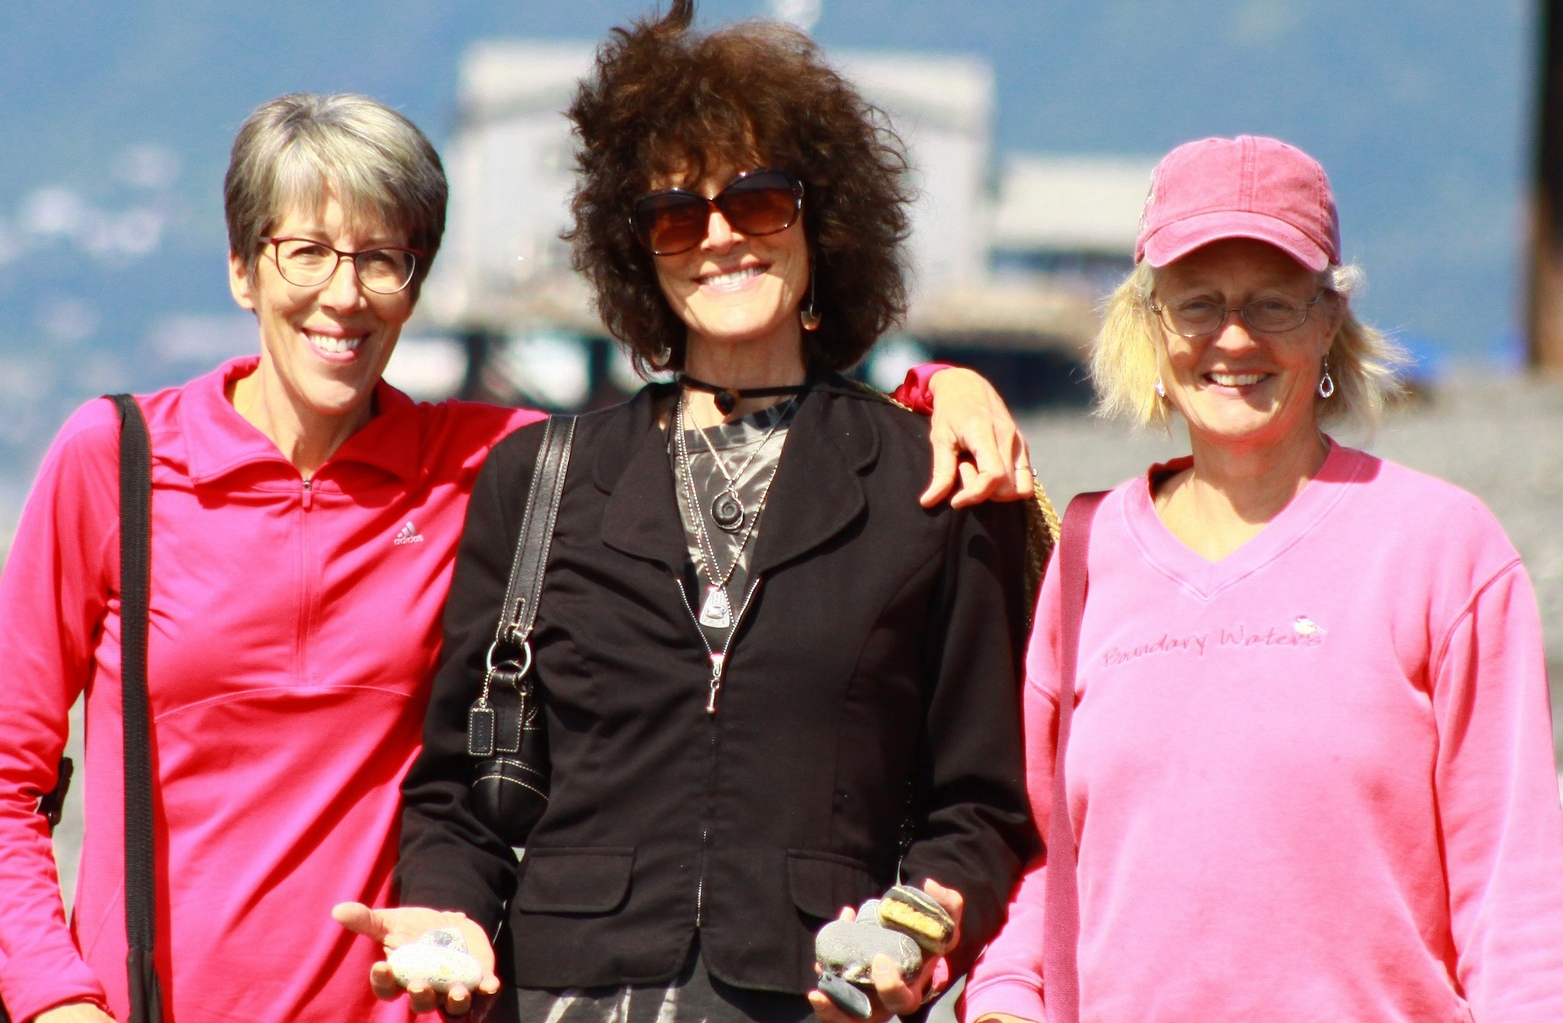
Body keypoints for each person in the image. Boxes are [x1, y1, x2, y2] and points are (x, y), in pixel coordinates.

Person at [0, 92, 1027, 1023]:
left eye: (383, 259)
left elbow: (719, 423)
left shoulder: (486, 465)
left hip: (419, 1005)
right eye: (305, 251)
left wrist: (944, 387)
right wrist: (55, 1000)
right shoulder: (120, 463)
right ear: (241, 267)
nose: (343, 294)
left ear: (415, 285)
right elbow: (9, 775)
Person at [337, 4, 1043, 1021]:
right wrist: (449, 917)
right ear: (640, 253)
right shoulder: (535, 479)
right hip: (560, 994)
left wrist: (916, 932)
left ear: (820, 220)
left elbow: (980, 806)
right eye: (676, 215)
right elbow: (457, 794)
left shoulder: (934, 483)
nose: (718, 237)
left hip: (817, 991)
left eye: (757, 202)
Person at [962, 135, 1563, 1023]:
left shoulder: (1442, 547)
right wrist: (1004, 998)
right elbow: (1041, 859)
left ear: (1328, 321)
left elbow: (1515, 894)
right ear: (1148, 324)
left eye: (1272, 304)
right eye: (1196, 303)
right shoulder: (1089, 556)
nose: (1233, 337)